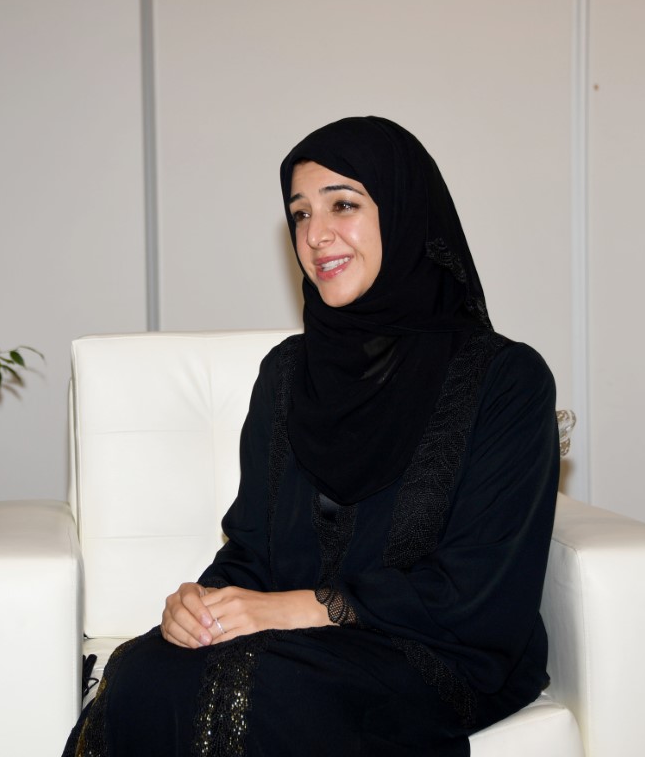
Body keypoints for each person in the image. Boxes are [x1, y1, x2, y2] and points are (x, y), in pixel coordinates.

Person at [62, 116, 559, 756]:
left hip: (437, 650)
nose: (315, 235)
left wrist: (299, 608)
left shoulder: (504, 378)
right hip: (296, 646)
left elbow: (478, 585)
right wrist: (201, 604)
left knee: (260, 692)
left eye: (343, 205)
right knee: (142, 671)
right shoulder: (288, 373)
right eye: (299, 214)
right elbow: (253, 549)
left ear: (404, 213)